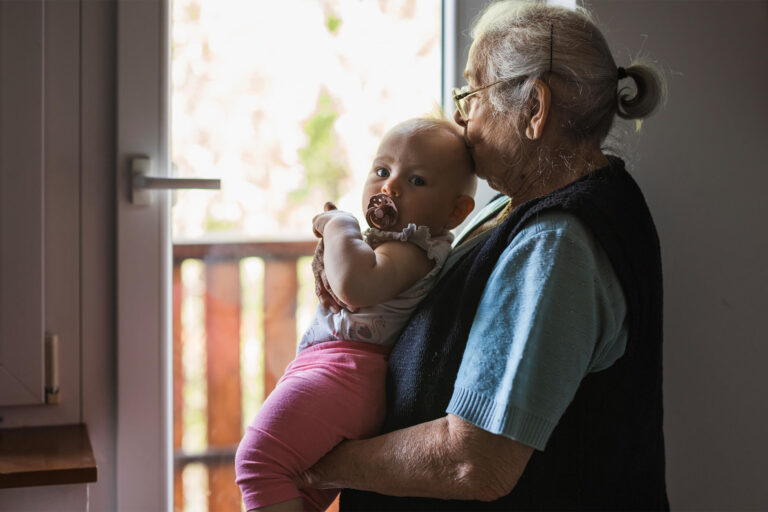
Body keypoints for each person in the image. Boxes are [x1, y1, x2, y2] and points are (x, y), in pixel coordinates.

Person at [299, 1, 670, 510]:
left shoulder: (558, 241)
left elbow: (475, 461)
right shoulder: (519, 204)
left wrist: (313, 463)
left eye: (472, 93)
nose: (459, 116)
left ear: (534, 109)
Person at [234, 117, 477, 512]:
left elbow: (354, 286)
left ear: (455, 212)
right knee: (298, 487)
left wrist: (339, 223)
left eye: (416, 181)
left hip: (347, 375)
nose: (390, 186)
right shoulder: (385, 243)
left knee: (257, 461)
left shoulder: (413, 248)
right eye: (382, 170)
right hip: (332, 369)